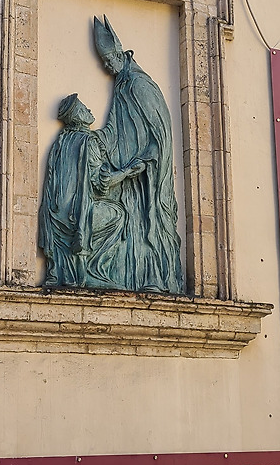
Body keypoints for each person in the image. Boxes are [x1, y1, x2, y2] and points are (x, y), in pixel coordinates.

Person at [92, 15, 184, 293]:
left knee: (148, 226)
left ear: (121, 54)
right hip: (128, 180)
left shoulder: (139, 86)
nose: (106, 67)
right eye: (104, 62)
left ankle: (155, 279)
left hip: (147, 182)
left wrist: (123, 173)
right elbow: (116, 129)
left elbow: (158, 143)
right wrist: (91, 140)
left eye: (109, 60)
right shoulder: (122, 86)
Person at [39, 94, 143, 289]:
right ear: (78, 116)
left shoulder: (60, 143)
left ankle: (78, 271)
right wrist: (127, 171)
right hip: (75, 216)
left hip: (55, 216)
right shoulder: (89, 142)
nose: (89, 110)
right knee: (119, 215)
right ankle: (94, 271)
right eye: (84, 108)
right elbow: (100, 183)